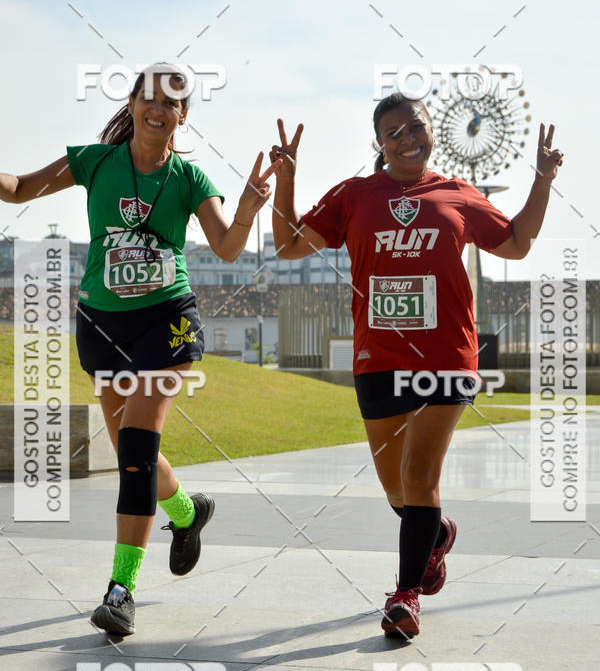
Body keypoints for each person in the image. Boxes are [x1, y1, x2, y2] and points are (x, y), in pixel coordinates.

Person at [270, 93, 563, 639]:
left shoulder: (457, 194)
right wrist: (286, 177)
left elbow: (518, 244)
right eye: (393, 131)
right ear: (379, 144)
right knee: (396, 491)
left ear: (431, 133)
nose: (407, 137)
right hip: (378, 358)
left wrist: (542, 178)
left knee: (419, 475)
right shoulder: (355, 196)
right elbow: (288, 244)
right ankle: (435, 536)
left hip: (447, 357)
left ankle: (403, 599)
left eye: (416, 127)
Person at [1, 62, 280, 635]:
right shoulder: (93, 161)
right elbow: (18, 190)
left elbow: (227, 248)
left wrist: (251, 204)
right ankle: (187, 511)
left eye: (172, 102)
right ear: (131, 103)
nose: (158, 109)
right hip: (102, 322)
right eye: (148, 97)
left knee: (134, 450)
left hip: (166, 320)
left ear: (184, 115)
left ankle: (121, 589)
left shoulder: (190, 179)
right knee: (137, 453)